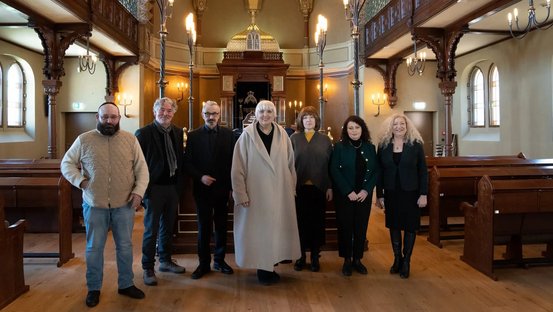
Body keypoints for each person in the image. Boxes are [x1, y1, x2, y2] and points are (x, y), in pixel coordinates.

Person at [61, 102, 149, 307]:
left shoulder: (130, 140)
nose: (109, 121)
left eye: (113, 117)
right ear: (98, 118)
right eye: (105, 117)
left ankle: (126, 284)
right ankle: (93, 288)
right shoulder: (84, 140)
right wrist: (80, 181)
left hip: (124, 205)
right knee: (94, 248)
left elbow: (142, 170)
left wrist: (138, 193)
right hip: (94, 204)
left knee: (125, 247)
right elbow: (66, 163)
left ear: (119, 118)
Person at [231, 100, 300, 285]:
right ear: (256, 113)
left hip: (279, 192)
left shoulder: (283, 135)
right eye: (261, 111)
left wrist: (291, 188)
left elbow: (290, 164)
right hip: (255, 193)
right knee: (259, 232)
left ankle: (270, 265)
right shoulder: (246, 136)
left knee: (275, 230)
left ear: (274, 114)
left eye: (269, 111)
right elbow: (237, 168)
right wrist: (240, 194)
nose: (265, 115)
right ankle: (263, 270)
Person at [135, 97, 186, 287]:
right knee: (151, 229)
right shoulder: (144, 133)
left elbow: (180, 159)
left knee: (168, 227)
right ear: (155, 112)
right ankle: (148, 266)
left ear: (173, 113)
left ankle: (165, 261)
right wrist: (141, 191)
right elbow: (137, 164)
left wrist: (179, 186)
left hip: (172, 187)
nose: (165, 113)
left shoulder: (178, 131)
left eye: (169, 111)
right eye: (162, 110)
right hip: (153, 188)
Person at [183, 101, 235, 279]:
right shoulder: (193, 136)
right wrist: (201, 177)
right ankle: (203, 264)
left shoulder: (230, 135)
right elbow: (187, 163)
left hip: (222, 189)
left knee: (221, 227)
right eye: (207, 113)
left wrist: (232, 187)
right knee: (203, 227)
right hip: (202, 190)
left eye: (214, 113)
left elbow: (234, 164)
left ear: (219, 115)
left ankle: (219, 260)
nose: (211, 117)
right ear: (203, 115)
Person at [375, 113, 428, 279]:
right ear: (391, 127)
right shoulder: (383, 145)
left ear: (407, 126)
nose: (398, 127)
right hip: (391, 192)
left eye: (402, 124)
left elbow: (423, 172)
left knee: (410, 226)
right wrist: (380, 194)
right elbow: (379, 172)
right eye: (395, 124)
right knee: (395, 225)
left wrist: (423, 194)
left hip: (411, 192)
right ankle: (397, 259)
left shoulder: (416, 145)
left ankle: (407, 261)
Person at [329, 115, 378, 276]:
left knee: (360, 226)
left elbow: (376, 171)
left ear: (362, 129)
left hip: (364, 194)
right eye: (350, 128)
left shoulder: (370, 147)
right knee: (345, 227)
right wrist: (348, 191)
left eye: (357, 127)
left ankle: (358, 259)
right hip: (345, 195)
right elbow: (334, 170)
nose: (354, 130)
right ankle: (347, 260)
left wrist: (366, 190)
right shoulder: (339, 147)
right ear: (346, 130)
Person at [290, 106, 333, 272]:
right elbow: (288, 164)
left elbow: (330, 166)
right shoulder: (294, 138)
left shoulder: (324, 140)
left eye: (312, 117)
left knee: (317, 224)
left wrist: (329, 186)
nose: (308, 120)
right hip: (298, 188)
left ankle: (315, 257)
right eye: (305, 117)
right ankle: (301, 257)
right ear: (301, 120)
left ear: (316, 121)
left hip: (319, 188)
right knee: (300, 224)